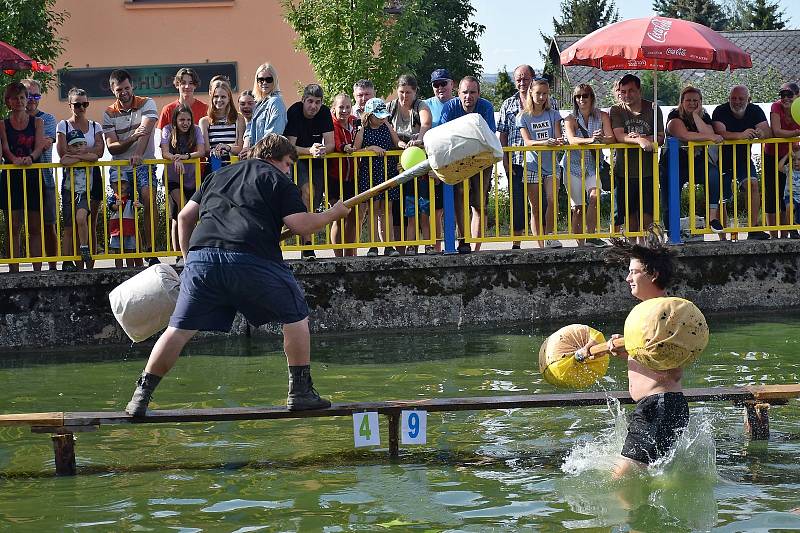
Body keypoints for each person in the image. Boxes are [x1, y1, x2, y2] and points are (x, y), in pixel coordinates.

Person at [124, 133, 351, 416]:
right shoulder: (277, 179)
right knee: (295, 316)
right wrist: (334, 213)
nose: (289, 170)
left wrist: (189, 261)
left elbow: (184, 218)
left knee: (178, 330)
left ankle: (140, 397)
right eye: (289, 163)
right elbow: (301, 225)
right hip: (251, 257)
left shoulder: (217, 176)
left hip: (202, 258)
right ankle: (301, 392)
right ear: (276, 159)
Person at [588, 230, 690, 478]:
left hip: (660, 405)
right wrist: (627, 351)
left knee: (621, 479)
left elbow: (672, 369)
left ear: (653, 274)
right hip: (659, 406)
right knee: (645, 479)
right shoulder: (647, 315)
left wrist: (630, 346)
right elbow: (653, 358)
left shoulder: (666, 314)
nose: (627, 278)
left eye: (634, 272)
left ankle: (627, 516)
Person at [102, 69, 160, 266]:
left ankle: (150, 250)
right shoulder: (109, 113)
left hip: (143, 162)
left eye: (127, 88)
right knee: (122, 208)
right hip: (120, 167)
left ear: (132, 86)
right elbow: (112, 146)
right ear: (113, 90)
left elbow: (146, 129)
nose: (124, 92)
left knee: (148, 197)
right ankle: (125, 253)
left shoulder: (147, 103)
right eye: (119, 89)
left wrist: (138, 153)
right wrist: (132, 138)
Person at [440, 76, 497, 253]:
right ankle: (463, 240)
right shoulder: (450, 107)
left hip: (482, 159)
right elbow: (443, 134)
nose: (468, 96)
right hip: (458, 160)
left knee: (480, 203)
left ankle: (477, 246)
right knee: (459, 195)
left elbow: (488, 136)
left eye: (472, 92)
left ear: (479, 94)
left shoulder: (486, 107)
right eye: (465, 92)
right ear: (458, 93)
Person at [664, 86, 727, 239]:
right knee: (670, 195)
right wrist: (708, 137)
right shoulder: (674, 115)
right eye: (688, 100)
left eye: (695, 101)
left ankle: (712, 218)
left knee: (713, 174)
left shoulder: (704, 116)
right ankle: (672, 231)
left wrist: (696, 115)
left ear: (700, 102)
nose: (692, 103)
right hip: (674, 162)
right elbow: (683, 134)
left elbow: (710, 134)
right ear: (681, 102)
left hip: (697, 161)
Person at [711, 85, 771, 240]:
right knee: (720, 197)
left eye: (740, 99)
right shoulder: (720, 110)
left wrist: (760, 133)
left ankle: (753, 229)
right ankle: (722, 236)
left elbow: (767, 132)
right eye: (733, 98)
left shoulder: (755, 110)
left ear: (748, 100)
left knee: (753, 184)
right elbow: (720, 132)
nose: (736, 101)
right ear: (729, 98)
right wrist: (742, 135)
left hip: (743, 159)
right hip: (720, 161)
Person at [56, 87, 105, 272]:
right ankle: (71, 262)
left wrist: (76, 155)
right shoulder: (63, 126)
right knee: (70, 224)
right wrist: (86, 154)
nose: (81, 107)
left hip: (92, 180)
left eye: (85, 104)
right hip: (71, 181)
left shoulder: (95, 126)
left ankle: (89, 264)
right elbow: (62, 153)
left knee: (87, 221)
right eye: (77, 104)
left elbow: (99, 152)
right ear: (70, 105)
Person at [610, 74, 665, 237]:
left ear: (639, 91)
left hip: (648, 171)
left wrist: (646, 139)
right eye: (623, 92)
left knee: (648, 215)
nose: (627, 95)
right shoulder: (617, 109)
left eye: (631, 91)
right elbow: (620, 136)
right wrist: (640, 140)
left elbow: (660, 137)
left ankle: (649, 250)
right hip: (624, 171)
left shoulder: (653, 108)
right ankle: (634, 252)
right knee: (630, 215)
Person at [285, 83, 334, 260]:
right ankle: (307, 245)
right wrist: (310, 150)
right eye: (310, 101)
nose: (314, 106)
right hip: (298, 160)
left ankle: (306, 239)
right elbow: (289, 145)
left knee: (314, 200)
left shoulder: (325, 112)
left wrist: (322, 150)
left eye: (318, 102)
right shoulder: (294, 111)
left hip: (317, 160)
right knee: (306, 193)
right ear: (303, 100)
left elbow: (331, 143)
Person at [0, 81, 45, 272]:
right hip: (11, 176)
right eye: (15, 98)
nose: (19, 101)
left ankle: (37, 270)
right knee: (13, 225)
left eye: (22, 97)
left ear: (27, 100)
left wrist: (30, 158)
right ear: (8, 101)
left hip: (32, 174)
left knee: (35, 226)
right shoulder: (3, 123)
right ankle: (14, 270)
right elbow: (5, 148)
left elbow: (40, 145)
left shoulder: (37, 122)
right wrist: (14, 159)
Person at [562, 83, 614, 247]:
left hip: (593, 165)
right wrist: (590, 140)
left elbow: (611, 138)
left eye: (585, 95)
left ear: (592, 98)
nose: (582, 99)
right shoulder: (570, 119)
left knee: (595, 197)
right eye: (578, 96)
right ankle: (580, 245)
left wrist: (601, 138)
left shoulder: (602, 116)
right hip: (573, 166)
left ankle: (591, 236)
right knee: (578, 208)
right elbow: (571, 140)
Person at [387, 74, 432, 255]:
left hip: (418, 163)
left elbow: (426, 122)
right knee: (407, 210)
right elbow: (387, 127)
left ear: (415, 92)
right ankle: (410, 245)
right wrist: (399, 142)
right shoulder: (391, 107)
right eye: (401, 92)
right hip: (398, 163)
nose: (404, 96)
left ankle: (428, 243)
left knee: (423, 208)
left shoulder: (421, 105)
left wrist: (419, 139)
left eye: (408, 92)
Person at [518, 77, 564, 248]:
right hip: (531, 165)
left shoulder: (553, 114)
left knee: (552, 200)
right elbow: (527, 142)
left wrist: (557, 142)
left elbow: (559, 138)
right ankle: (540, 244)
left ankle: (551, 235)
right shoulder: (523, 116)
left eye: (545, 93)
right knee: (536, 207)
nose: (542, 97)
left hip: (551, 164)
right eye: (538, 93)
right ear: (531, 92)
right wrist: (544, 143)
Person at [354, 97, 402, 257]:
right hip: (371, 174)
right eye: (378, 116)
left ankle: (389, 245)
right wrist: (370, 148)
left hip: (387, 172)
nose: (382, 118)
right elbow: (355, 150)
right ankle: (373, 246)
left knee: (387, 209)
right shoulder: (363, 130)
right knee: (373, 209)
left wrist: (405, 146)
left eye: (384, 115)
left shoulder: (387, 126)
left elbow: (397, 142)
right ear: (369, 115)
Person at [498, 65, 536, 249]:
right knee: (517, 203)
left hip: (538, 160)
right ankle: (516, 243)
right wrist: (505, 162)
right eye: (518, 79)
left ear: (533, 79)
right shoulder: (507, 104)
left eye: (526, 78)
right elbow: (503, 135)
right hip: (516, 161)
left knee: (539, 202)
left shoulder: (544, 99)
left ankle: (541, 242)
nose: (522, 82)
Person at [21, 79, 57, 270]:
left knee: (49, 225)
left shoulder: (48, 119)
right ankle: (32, 269)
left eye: (36, 96)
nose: (32, 100)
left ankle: (52, 267)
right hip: (19, 179)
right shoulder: (13, 119)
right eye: (28, 95)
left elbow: (45, 142)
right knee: (27, 227)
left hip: (44, 178)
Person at [161, 104, 205, 256]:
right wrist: (175, 158)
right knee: (181, 208)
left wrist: (185, 157)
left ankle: (189, 249)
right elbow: (165, 152)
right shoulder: (167, 130)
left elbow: (201, 151)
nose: (185, 123)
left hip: (191, 178)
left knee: (184, 215)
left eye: (188, 119)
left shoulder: (196, 130)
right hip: (173, 177)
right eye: (181, 120)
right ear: (175, 120)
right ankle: (179, 254)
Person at [762, 82, 800, 238]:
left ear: (797, 95)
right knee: (772, 193)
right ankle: (773, 235)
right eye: (782, 94)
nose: (785, 98)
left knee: (788, 193)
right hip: (772, 154)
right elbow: (777, 131)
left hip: (792, 153)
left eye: (789, 94)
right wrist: (797, 132)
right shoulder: (776, 107)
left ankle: (787, 231)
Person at [423, 68, 455, 251]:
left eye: (444, 83)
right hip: (433, 163)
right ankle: (436, 247)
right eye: (436, 84)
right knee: (435, 210)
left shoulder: (459, 104)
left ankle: (458, 244)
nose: (440, 87)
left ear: (452, 84)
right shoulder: (426, 105)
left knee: (457, 207)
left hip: (456, 162)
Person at [329, 93, 358, 257]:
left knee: (352, 217)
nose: (345, 110)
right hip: (335, 176)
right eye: (341, 107)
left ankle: (349, 254)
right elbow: (336, 143)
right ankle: (338, 256)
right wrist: (345, 147)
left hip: (352, 176)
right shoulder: (332, 123)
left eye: (347, 106)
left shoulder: (355, 121)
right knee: (337, 216)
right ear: (334, 108)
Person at [199, 78, 245, 175]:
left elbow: (240, 147)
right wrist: (217, 151)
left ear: (229, 98)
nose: (219, 100)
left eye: (223, 97)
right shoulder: (204, 122)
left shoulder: (238, 118)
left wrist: (227, 147)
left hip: (234, 166)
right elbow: (206, 150)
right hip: (215, 166)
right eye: (216, 96)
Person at [244, 63, 286, 148]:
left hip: (269, 156)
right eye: (260, 79)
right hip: (258, 155)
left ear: (274, 80)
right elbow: (250, 129)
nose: (264, 83)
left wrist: (252, 151)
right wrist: (246, 148)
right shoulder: (259, 103)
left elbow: (273, 136)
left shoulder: (275, 102)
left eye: (268, 79)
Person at [108, 173, 142, 268]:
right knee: (117, 252)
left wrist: (137, 206)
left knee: (129, 251)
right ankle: (118, 269)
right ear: (112, 185)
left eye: (123, 183)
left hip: (129, 228)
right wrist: (116, 205)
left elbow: (136, 209)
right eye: (116, 183)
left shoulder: (131, 197)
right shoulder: (113, 197)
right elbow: (112, 207)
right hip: (116, 229)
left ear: (127, 184)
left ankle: (130, 268)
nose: (120, 185)